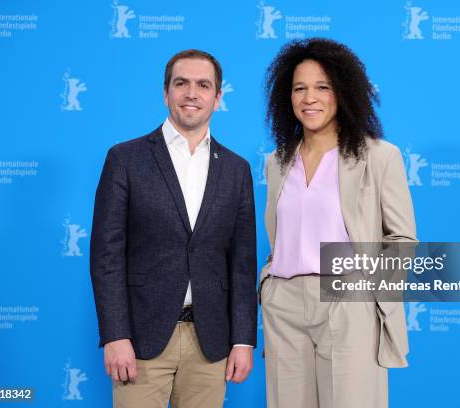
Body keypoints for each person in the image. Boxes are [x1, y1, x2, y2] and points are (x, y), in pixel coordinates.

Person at [90, 49, 257, 408]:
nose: (191, 93)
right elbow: (107, 257)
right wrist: (115, 335)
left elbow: (242, 264)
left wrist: (244, 340)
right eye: (181, 84)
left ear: (218, 97)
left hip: (210, 343)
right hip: (141, 342)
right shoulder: (125, 159)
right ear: (165, 93)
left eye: (203, 85)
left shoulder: (236, 169)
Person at [259, 38, 417, 408]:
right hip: (283, 302)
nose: (309, 98)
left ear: (342, 92)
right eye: (299, 88)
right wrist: (270, 286)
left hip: (346, 298)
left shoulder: (379, 156)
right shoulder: (276, 162)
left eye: (322, 87)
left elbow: (402, 238)